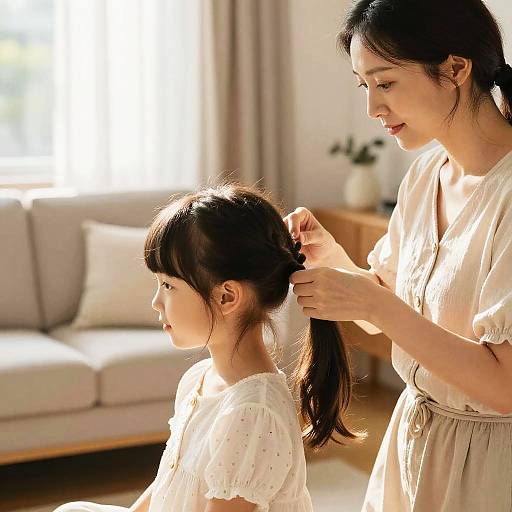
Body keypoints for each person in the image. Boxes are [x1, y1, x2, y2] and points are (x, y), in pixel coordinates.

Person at [284, 0, 512, 510]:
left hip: (494, 469)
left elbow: (505, 385)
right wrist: (332, 258)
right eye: (365, 86)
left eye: (385, 83)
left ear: (456, 68)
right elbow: (387, 312)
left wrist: (374, 304)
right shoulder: (425, 176)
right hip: (413, 448)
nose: (372, 109)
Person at [54, 184, 362, 512]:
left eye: (168, 286)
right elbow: (170, 479)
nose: (156, 302)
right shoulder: (199, 378)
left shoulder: (252, 415)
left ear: (226, 296)